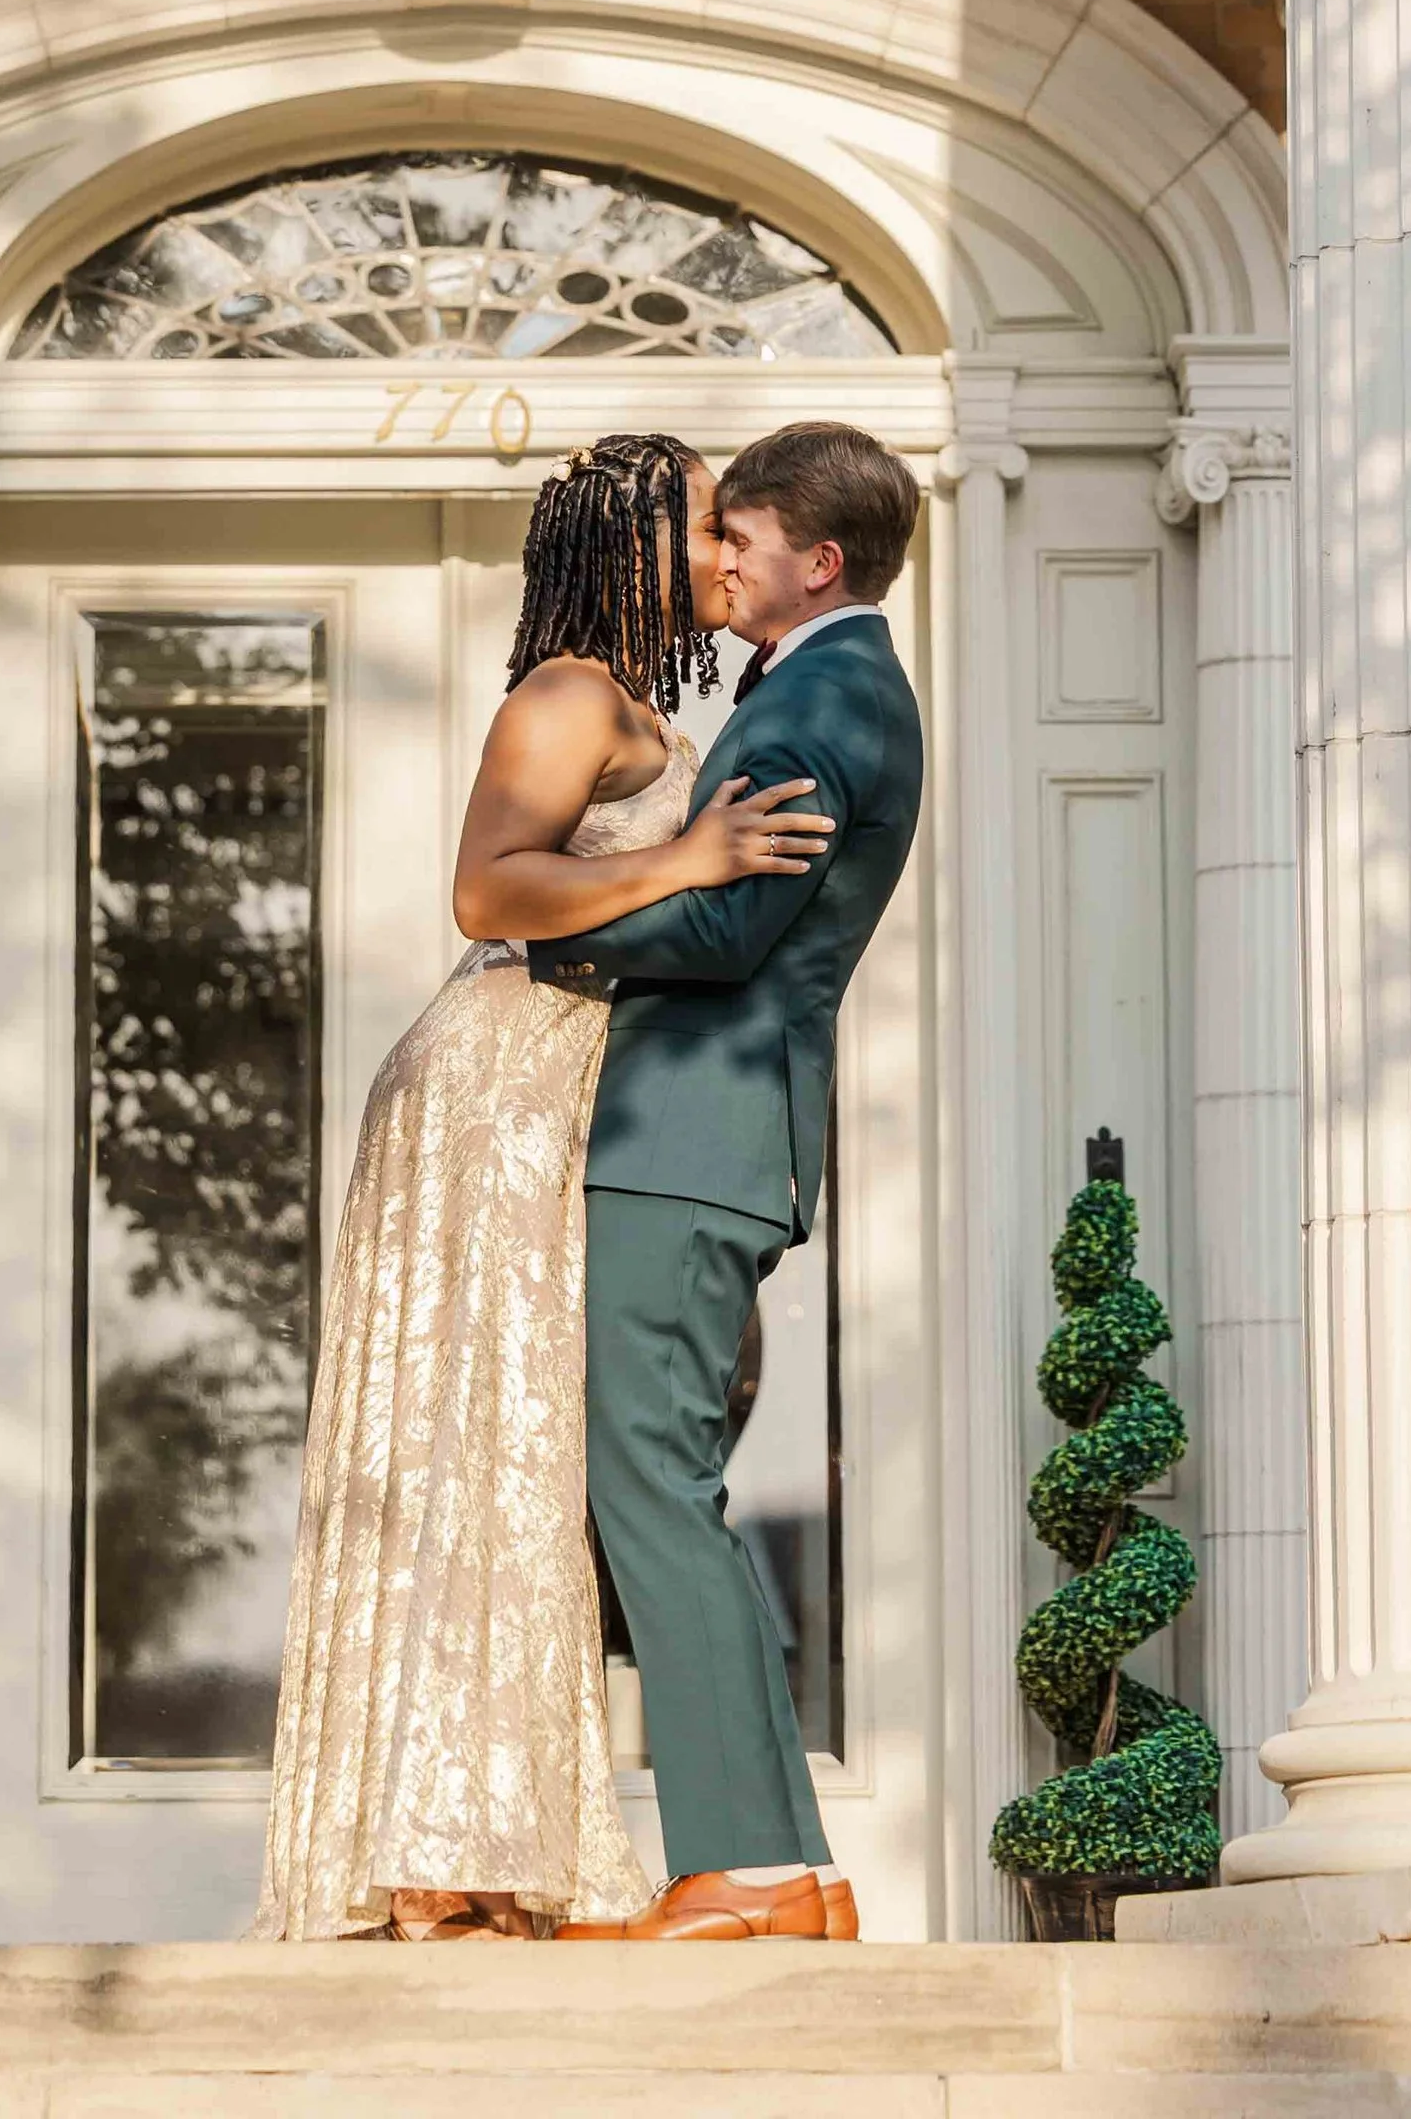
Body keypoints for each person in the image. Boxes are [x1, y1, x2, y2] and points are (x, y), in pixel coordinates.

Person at [248, 432, 832, 1943]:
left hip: (578, 1080)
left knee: (529, 1453)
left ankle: (484, 1833)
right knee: (482, 1440)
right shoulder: (567, 694)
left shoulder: (638, 706)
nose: (727, 551)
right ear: (630, 544)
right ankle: (440, 1845)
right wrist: (692, 856)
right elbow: (488, 888)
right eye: (705, 524)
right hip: (502, 1082)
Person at [533, 422, 924, 1946]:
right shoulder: (831, 685)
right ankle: (786, 1868)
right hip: (715, 1137)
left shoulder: (819, 698)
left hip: (684, 1136)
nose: (719, 560)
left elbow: (725, 927)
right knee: (666, 1481)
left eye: (739, 536)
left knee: (648, 1484)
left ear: (816, 559)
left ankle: (747, 1866)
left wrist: (537, 934)